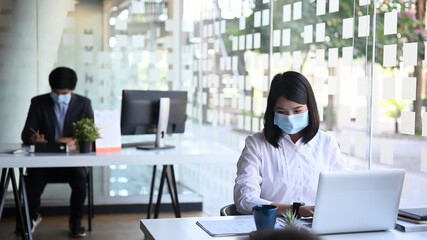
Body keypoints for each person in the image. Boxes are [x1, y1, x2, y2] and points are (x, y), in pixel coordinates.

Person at [234, 71, 346, 217]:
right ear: (272, 111)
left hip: (317, 228)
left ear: (309, 108)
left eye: (297, 110)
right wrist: (295, 211)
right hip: (271, 230)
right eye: (281, 111)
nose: (290, 118)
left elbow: (344, 190)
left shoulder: (326, 143)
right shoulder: (256, 144)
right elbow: (244, 199)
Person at [21, 67, 93, 237]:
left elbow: (91, 134)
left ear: (72, 90)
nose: (59, 96)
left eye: (64, 92)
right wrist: (33, 139)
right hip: (44, 159)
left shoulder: (84, 104)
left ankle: (75, 221)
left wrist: (74, 140)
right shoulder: (38, 102)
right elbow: (26, 133)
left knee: (80, 180)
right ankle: (32, 216)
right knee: (32, 184)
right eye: (56, 92)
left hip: (71, 161)